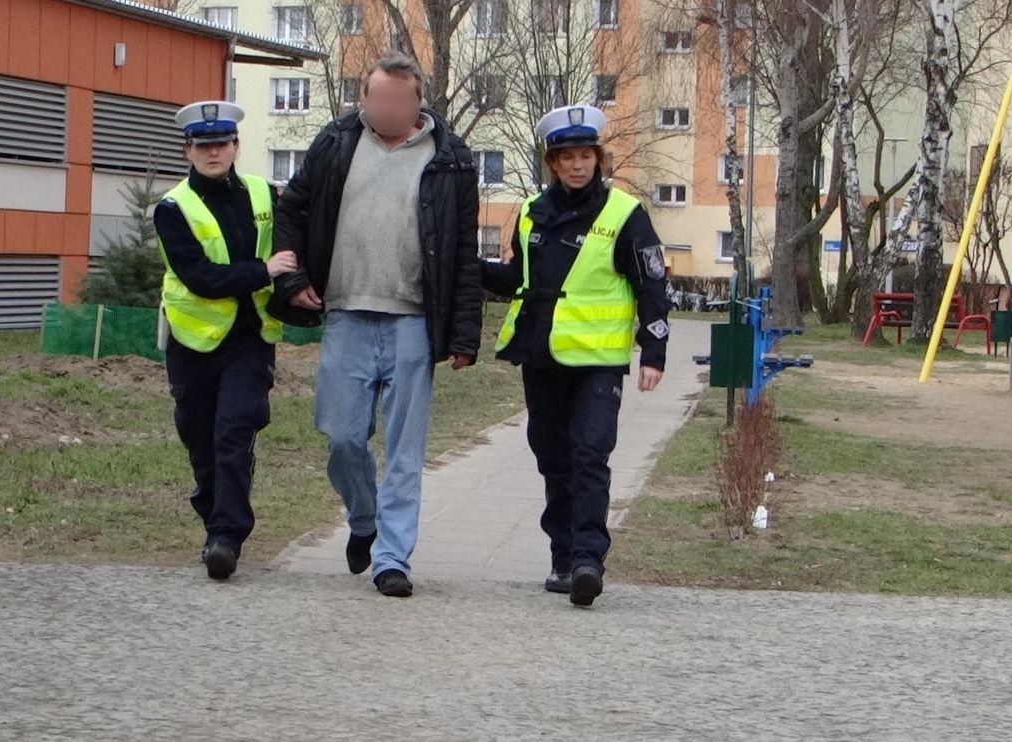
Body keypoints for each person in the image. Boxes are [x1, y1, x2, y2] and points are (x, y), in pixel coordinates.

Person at [270, 53, 482, 598]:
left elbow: (463, 254)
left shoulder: (451, 159)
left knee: (405, 450)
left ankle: (392, 559)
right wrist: (292, 280)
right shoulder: (336, 143)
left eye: (396, 100)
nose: (384, 108)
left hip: (414, 320)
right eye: (375, 98)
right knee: (342, 438)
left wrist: (462, 333)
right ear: (364, 99)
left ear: (417, 103)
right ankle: (363, 518)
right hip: (345, 311)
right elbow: (292, 208)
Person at [482, 104, 671, 607]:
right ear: (552, 163)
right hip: (542, 360)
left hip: (599, 363)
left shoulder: (625, 214)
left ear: (599, 159)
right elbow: (516, 280)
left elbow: (652, 283)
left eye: (587, 155)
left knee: (590, 454)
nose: (578, 165)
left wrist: (655, 350)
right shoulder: (530, 213)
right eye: (567, 157)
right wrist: (470, 266)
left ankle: (589, 560)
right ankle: (563, 557)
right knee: (552, 458)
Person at [154, 101, 296, 580]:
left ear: (236, 146)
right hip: (191, 342)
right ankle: (213, 512)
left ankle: (226, 538)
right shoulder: (173, 209)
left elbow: (294, 245)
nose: (213, 152)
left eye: (222, 143)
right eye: (203, 145)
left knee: (233, 432)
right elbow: (199, 277)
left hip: (249, 340)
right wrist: (262, 271)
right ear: (188, 150)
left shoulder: (263, 194)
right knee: (200, 441)